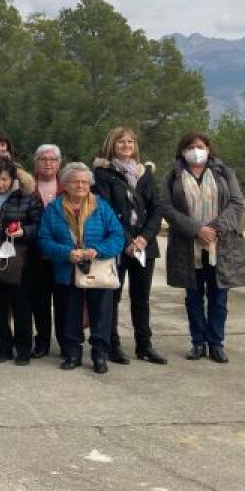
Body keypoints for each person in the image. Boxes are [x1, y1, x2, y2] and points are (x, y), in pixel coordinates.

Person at [157, 131, 244, 364]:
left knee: (219, 297)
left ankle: (216, 343)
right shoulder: (173, 175)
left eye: (201, 145)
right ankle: (198, 343)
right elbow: (165, 206)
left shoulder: (224, 173)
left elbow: (237, 204)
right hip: (188, 246)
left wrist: (214, 229)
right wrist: (196, 229)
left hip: (220, 245)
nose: (196, 150)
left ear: (208, 148)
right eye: (191, 146)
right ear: (183, 150)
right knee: (193, 297)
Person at [38, 162, 126, 374]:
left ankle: (100, 354)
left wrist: (98, 249)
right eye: (75, 181)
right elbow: (44, 239)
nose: (80, 185)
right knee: (69, 312)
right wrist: (66, 253)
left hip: (98, 268)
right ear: (65, 185)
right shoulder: (53, 209)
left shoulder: (101, 206)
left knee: (101, 313)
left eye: (85, 182)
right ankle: (71, 353)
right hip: (66, 268)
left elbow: (117, 236)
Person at [91, 127, 167, 365]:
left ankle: (144, 345)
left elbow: (157, 208)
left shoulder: (144, 173)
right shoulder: (102, 173)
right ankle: (112, 346)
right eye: (121, 141)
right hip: (117, 244)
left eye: (130, 141)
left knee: (141, 298)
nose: (126, 145)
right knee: (112, 297)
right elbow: (105, 210)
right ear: (111, 144)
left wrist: (143, 238)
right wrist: (126, 241)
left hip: (145, 245)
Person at [0, 158, 39, 365]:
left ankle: (23, 349)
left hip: (20, 258)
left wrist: (24, 231)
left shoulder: (27, 196)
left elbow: (38, 223)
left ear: (13, 178)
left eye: (5, 179)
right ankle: (3, 347)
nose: (0, 184)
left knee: (21, 306)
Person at [27, 144, 64, 357]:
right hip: (34, 254)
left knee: (63, 302)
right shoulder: (26, 185)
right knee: (39, 302)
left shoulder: (67, 186)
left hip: (62, 253)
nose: (48, 163)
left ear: (59, 163)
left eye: (52, 159)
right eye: (43, 159)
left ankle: (65, 341)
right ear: (36, 163)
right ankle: (41, 342)